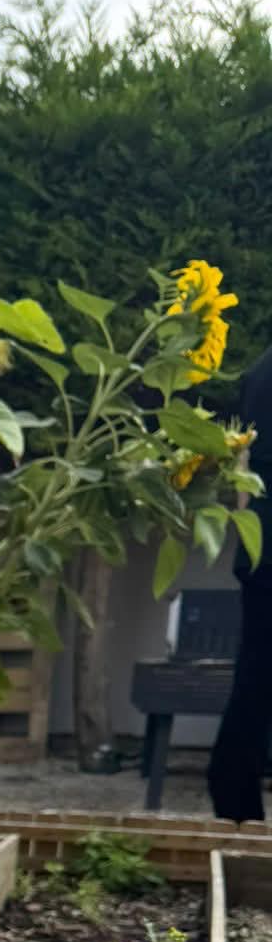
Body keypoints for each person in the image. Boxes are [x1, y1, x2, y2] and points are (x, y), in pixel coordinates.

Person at [207, 343, 272, 820]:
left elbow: (244, 464)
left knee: (256, 675)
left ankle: (234, 799)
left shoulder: (259, 370)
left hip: (262, 545)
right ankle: (233, 794)